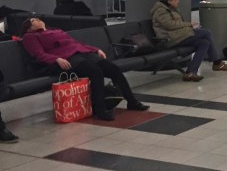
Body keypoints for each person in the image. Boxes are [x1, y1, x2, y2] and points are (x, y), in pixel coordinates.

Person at [21, 17, 149, 121]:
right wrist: (56, 59)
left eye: (37, 18)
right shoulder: (30, 37)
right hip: (65, 59)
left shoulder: (56, 31)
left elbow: (76, 43)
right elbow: (38, 54)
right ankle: (101, 109)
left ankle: (131, 101)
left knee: (113, 68)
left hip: (81, 53)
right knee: (95, 72)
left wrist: (95, 50)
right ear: (29, 28)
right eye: (33, 20)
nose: (37, 20)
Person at [150, 0, 227, 81]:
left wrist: (187, 26)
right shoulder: (161, 11)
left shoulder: (171, 9)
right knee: (206, 32)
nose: (178, 1)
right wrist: (188, 24)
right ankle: (217, 63)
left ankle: (191, 72)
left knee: (204, 43)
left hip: (177, 36)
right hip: (169, 39)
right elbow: (169, 25)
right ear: (169, 1)